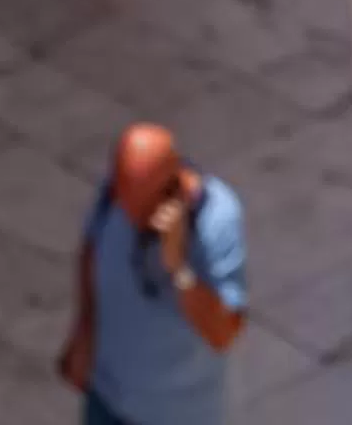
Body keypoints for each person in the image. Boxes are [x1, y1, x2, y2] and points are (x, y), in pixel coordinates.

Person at [59, 122, 247, 425]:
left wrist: (177, 267)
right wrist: (84, 329)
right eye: (124, 202)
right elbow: (93, 246)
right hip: (108, 399)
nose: (129, 218)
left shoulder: (216, 220)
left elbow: (223, 332)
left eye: (140, 210)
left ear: (169, 192)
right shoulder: (118, 193)